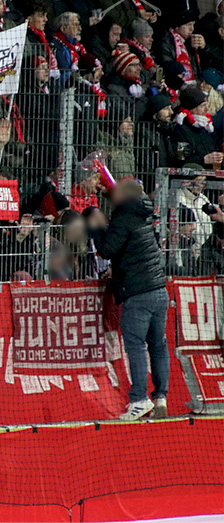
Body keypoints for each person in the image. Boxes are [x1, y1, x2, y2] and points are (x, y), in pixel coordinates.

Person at [89, 178, 168, 420]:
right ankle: (160, 396)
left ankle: (138, 400)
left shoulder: (123, 217)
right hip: (159, 289)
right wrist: (105, 193)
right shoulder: (142, 211)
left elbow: (107, 249)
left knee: (135, 346)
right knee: (158, 345)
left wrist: (95, 228)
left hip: (138, 293)